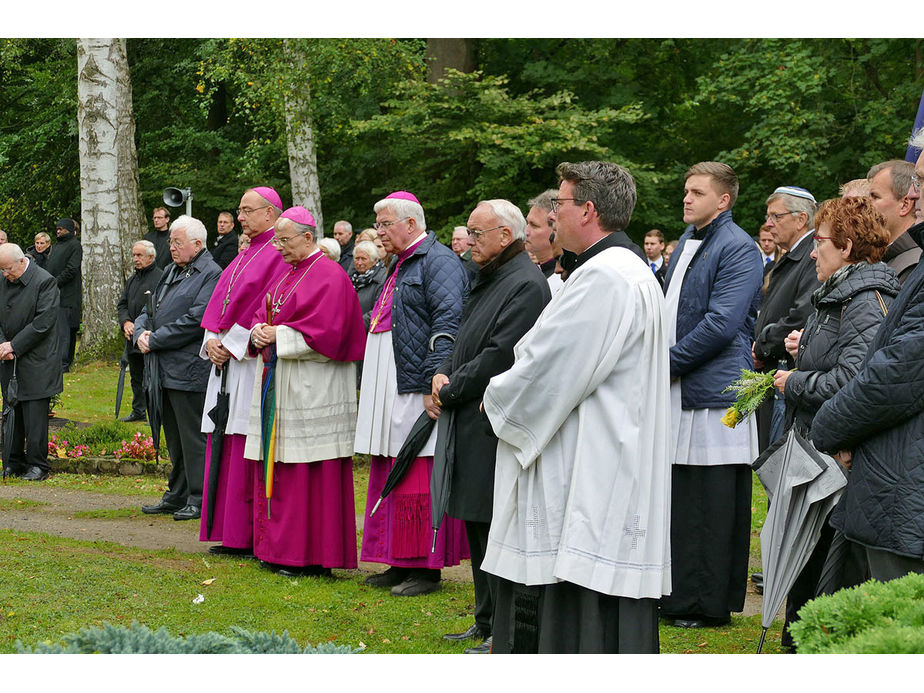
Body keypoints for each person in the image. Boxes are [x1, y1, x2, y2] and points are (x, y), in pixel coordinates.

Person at [481, 161, 671, 653]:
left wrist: (494, 398)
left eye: (559, 204)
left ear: (588, 210)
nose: (550, 215)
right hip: (610, 447)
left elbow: (550, 368)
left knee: (575, 588)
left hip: (589, 459)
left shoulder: (605, 278)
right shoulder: (626, 272)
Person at [771, 195, 898, 648]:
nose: (812, 251)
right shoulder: (841, 295)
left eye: (820, 242)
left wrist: (795, 381)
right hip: (816, 455)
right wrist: (801, 348)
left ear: (846, 246)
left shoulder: (866, 299)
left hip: (835, 466)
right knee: (803, 573)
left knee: (823, 577)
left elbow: (854, 382)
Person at [432, 199, 550, 654]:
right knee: (477, 525)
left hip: (491, 419)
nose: (469, 242)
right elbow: (462, 336)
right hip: (470, 413)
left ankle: (503, 625)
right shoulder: (490, 276)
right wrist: (443, 370)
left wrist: (452, 386)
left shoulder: (524, 283)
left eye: (476, 234)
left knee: (495, 525)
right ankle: (484, 619)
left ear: (505, 235)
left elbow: (502, 355)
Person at [811, 131, 924, 583]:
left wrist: (830, 427)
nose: (914, 194)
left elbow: (897, 372)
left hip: (906, 490)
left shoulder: (872, 289)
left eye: (921, 180)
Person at [658, 161, 763, 629]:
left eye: (697, 192)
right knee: (685, 495)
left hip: (719, 391)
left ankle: (708, 601)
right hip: (685, 385)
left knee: (714, 500)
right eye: (685, 190)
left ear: (723, 200)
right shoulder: (688, 243)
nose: (686, 198)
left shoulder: (738, 247)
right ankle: (679, 594)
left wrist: (666, 364)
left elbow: (721, 324)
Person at [354, 190, 470, 597]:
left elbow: (449, 320)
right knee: (391, 460)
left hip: (415, 380)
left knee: (418, 467)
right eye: (379, 224)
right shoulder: (402, 262)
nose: (379, 231)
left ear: (411, 223)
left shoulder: (438, 261)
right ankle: (396, 558)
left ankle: (424, 566)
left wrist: (431, 380)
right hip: (392, 377)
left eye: (386, 224)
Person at [243, 207, 366, 577]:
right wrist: (257, 332)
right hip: (281, 382)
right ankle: (277, 549)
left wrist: (277, 335)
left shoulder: (330, 275)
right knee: (280, 467)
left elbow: (331, 330)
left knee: (311, 472)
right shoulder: (286, 274)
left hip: (315, 386)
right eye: (277, 240)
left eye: (284, 240)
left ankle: (310, 557)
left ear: (308, 238)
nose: (278, 247)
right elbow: (262, 312)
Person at [198, 186, 289, 555]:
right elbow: (219, 303)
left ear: (270, 213)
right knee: (225, 437)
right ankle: (227, 531)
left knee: (244, 441)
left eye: (247, 210)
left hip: (250, 362)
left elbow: (265, 309)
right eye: (239, 210)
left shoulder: (278, 253)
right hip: (224, 362)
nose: (240, 217)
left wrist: (232, 345)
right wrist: (210, 341)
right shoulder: (245, 251)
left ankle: (246, 535)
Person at [137, 216, 222, 521]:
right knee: (173, 434)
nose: (171, 247)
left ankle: (198, 497)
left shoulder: (211, 274)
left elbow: (197, 319)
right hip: (163, 368)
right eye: (171, 241)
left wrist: (155, 339)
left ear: (197, 244)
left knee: (192, 437)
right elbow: (150, 309)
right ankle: (177, 492)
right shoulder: (173, 270)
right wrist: (140, 332)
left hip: (188, 369)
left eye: (177, 242)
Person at [753, 186, 821, 452]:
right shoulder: (796, 253)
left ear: (801, 219)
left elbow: (802, 315)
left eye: (776, 217)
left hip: (790, 371)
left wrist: (764, 344)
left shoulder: (811, 254)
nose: (768, 225)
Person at [0, 243, 62, 481]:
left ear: (21, 261)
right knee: (11, 410)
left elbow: (43, 323)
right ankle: (12, 461)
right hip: (7, 358)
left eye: (7, 269)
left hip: (37, 359)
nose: (5, 274)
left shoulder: (44, 281)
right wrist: (3, 344)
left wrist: (14, 345)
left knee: (35, 415)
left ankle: (38, 465)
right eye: (2, 270)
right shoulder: (3, 278)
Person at [116, 240, 163, 423]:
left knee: (151, 377)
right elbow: (122, 304)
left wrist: (144, 329)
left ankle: (154, 412)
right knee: (135, 376)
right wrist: (126, 322)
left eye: (139, 255)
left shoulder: (161, 278)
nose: (135, 259)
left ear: (151, 257)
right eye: (134, 255)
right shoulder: (132, 279)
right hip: (131, 337)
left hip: (149, 336)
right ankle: (138, 410)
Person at [867, 159, 921, 284]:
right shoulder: (889, 256)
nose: (865, 205)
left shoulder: (913, 264)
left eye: (875, 197)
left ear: (905, 205)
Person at [45, 217, 82, 373]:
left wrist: (54, 282)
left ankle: (64, 364)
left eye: (62, 228)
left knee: (66, 331)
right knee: (59, 330)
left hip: (68, 295)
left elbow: (72, 269)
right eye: (57, 229)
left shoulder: (74, 245)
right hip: (55, 294)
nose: (58, 231)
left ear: (68, 229)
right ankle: (59, 362)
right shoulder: (56, 246)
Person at [525, 189, 564, 295]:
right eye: (527, 223)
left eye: (534, 225)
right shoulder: (528, 270)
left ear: (555, 229)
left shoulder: (564, 278)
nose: (526, 231)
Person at [350, 240, 387, 320]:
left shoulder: (381, 279)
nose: (359, 263)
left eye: (363, 259)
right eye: (357, 258)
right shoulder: (352, 278)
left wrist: (357, 325)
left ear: (375, 260)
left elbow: (378, 311)